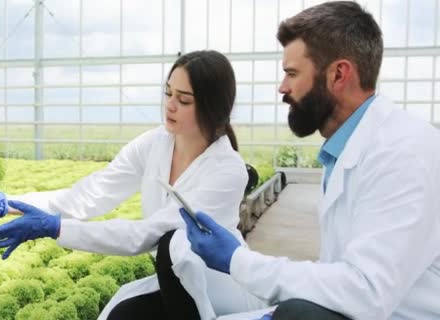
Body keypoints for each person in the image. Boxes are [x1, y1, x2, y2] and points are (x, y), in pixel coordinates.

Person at [0, 50, 260, 319]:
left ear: (212, 107)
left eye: (184, 99)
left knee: (170, 245)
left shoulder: (227, 171)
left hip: (218, 291)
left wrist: (55, 228)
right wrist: (11, 203)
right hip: (173, 283)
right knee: (122, 314)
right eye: (168, 93)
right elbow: (93, 193)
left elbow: (147, 234)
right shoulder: (155, 144)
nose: (170, 105)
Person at [180, 2, 440, 320]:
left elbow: (366, 291)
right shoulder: (347, 149)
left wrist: (236, 260)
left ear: (338, 75)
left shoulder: (403, 152)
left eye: (292, 73)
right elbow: (339, 276)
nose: (282, 88)